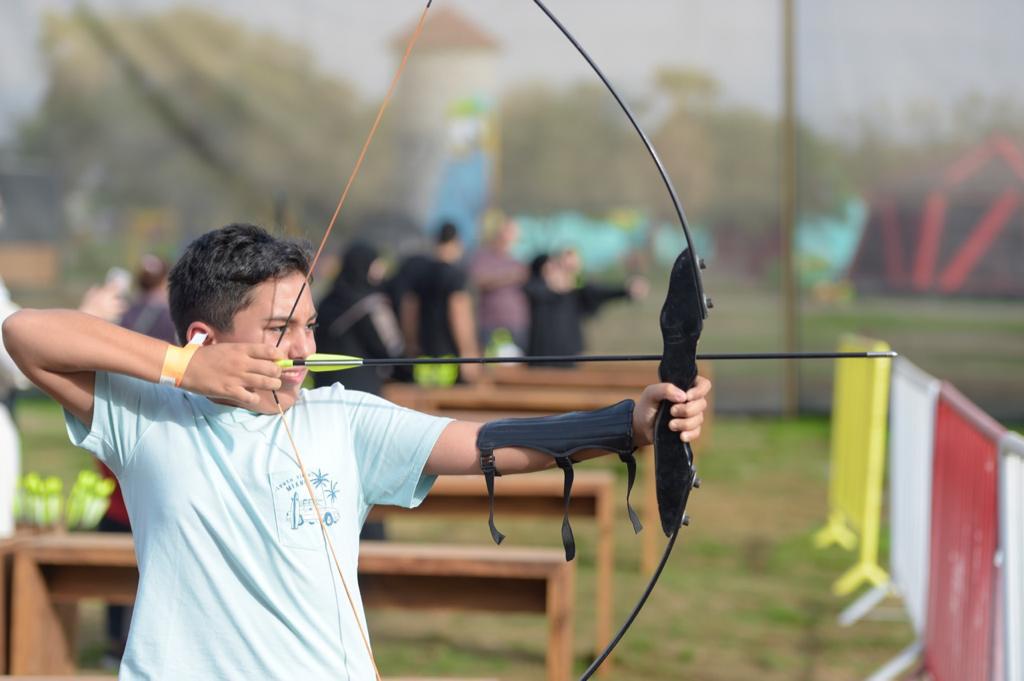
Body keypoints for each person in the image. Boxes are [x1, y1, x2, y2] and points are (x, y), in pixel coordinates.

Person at [1, 223, 710, 679]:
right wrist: (183, 370)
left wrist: (631, 422)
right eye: (281, 328)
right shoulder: (149, 415)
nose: (305, 349)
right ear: (203, 336)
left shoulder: (342, 419)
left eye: (308, 326)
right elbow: (26, 332)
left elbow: (484, 442)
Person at [524, 249, 648, 364]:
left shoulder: (577, 291)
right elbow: (534, 288)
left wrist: (627, 289)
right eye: (559, 266)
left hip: (570, 358)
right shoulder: (536, 287)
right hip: (540, 359)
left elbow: (600, 292)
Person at [314, 242, 403, 395]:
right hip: (362, 393)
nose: (381, 270)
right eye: (376, 264)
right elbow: (392, 349)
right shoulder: (373, 304)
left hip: (323, 390)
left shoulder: (325, 302)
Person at [403, 222, 482, 383]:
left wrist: (410, 344)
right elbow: (459, 314)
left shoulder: (420, 274)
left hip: (423, 357)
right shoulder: (455, 276)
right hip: (450, 358)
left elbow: (409, 312)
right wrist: (468, 352)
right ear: (456, 242)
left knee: (422, 405)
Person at [469, 214, 529, 351]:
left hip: (517, 324)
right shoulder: (483, 256)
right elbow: (478, 280)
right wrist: (509, 277)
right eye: (509, 230)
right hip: (491, 324)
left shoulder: (520, 257)